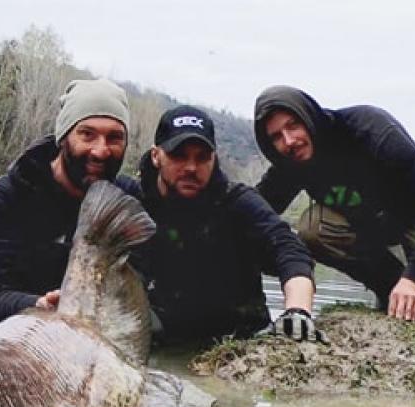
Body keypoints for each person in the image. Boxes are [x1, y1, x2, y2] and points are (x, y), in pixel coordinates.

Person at [253, 85, 415, 327]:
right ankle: (388, 288)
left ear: (308, 116)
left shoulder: (372, 130)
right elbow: (254, 212)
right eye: (276, 137)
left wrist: (412, 280)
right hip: (371, 228)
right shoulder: (291, 162)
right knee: (311, 230)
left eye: (293, 125)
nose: (289, 141)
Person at [0, 78, 140, 335]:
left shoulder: (128, 199)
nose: (101, 151)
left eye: (114, 138)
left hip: (83, 320)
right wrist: (38, 305)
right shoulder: (5, 196)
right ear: (63, 137)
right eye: (87, 134)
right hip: (2, 319)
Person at [136, 104, 319, 344]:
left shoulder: (238, 201)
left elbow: (289, 248)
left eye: (202, 157)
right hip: (160, 337)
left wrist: (298, 311)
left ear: (214, 158)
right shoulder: (132, 202)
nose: (191, 167)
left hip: (237, 338)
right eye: (179, 155)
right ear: (156, 156)